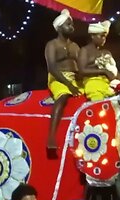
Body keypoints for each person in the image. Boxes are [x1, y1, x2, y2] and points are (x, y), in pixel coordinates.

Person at [45, 9, 82, 154]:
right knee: (62, 97)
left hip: (75, 78)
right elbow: (52, 68)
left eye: (72, 24)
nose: (71, 26)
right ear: (59, 27)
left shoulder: (75, 46)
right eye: (68, 24)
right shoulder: (52, 45)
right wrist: (69, 86)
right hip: (58, 78)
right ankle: (51, 137)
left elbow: (80, 67)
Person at [78, 20, 120, 101]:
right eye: (101, 36)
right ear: (93, 36)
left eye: (105, 37)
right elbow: (82, 70)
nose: (104, 39)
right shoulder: (84, 50)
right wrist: (103, 71)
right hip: (93, 84)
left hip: (108, 84)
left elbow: (116, 72)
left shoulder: (106, 52)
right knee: (100, 106)